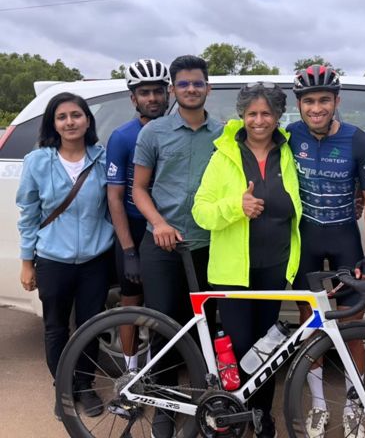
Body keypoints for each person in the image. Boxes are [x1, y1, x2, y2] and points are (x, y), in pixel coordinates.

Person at [192, 82, 302, 438]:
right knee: (239, 347)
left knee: (267, 350)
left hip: (274, 268)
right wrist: (235, 206)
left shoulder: (287, 152)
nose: (259, 120)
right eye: (252, 113)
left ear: (278, 116)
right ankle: (232, 414)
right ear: (242, 115)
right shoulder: (223, 155)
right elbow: (200, 212)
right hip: (232, 273)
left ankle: (261, 414)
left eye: (266, 113)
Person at [287, 64, 365, 438]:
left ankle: (354, 406)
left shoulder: (358, 140)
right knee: (310, 323)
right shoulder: (289, 135)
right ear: (299, 104)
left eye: (324, 100)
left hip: (344, 237)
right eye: (309, 101)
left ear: (336, 101)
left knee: (352, 325)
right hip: (307, 238)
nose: (316, 108)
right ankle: (319, 406)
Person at [132, 54, 222, 438]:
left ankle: (203, 405)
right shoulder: (153, 133)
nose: (191, 89)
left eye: (197, 83)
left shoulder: (223, 134)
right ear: (173, 89)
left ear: (208, 88)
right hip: (163, 245)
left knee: (205, 330)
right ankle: (165, 408)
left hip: (208, 246)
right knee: (164, 328)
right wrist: (159, 223)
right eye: (183, 84)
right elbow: (138, 189)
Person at [16, 92, 113, 421]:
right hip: (53, 259)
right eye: (62, 117)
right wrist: (27, 262)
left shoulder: (102, 157)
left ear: (87, 120)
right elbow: (29, 214)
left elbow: (112, 206)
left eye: (76, 115)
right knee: (56, 327)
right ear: (53, 124)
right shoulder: (38, 161)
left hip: (95, 260)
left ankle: (85, 385)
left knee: (90, 325)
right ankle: (64, 387)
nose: (70, 122)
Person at [106, 59, 170, 372]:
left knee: (164, 304)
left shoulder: (176, 130)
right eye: (145, 92)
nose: (152, 98)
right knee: (131, 301)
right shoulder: (122, 137)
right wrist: (129, 250)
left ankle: (160, 368)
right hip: (134, 227)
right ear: (133, 98)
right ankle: (131, 372)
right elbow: (115, 197)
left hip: (169, 226)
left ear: (168, 93)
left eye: (158, 91)